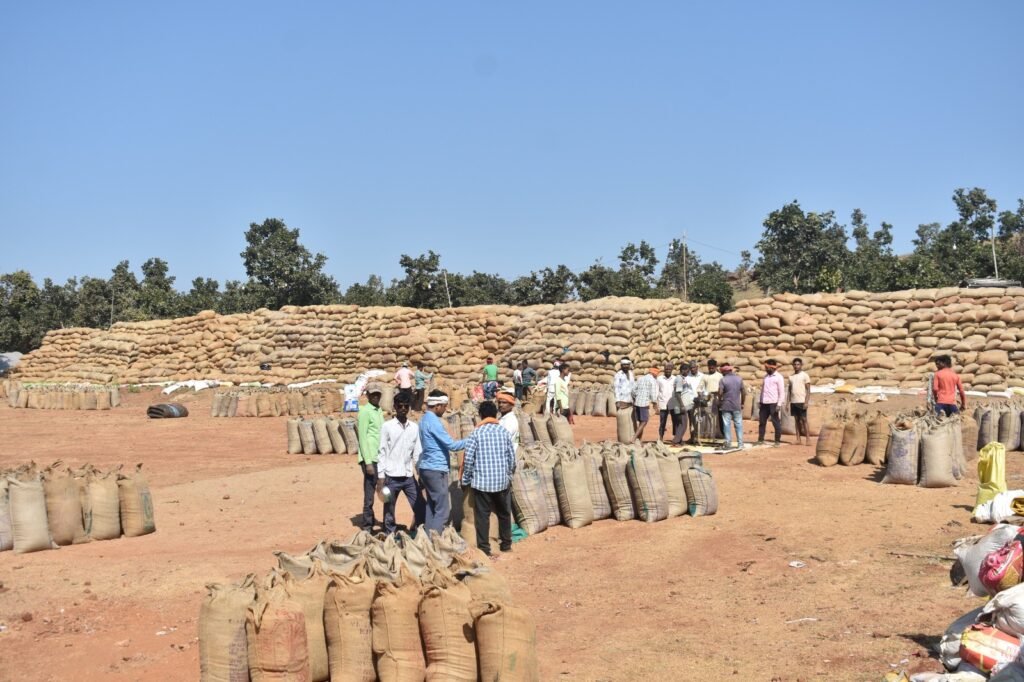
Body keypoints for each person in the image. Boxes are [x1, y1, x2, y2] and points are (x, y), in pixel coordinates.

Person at [460, 401, 516, 557]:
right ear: (495, 414)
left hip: (482, 483)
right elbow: (512, 458)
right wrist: (509, 475)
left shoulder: (476, 433)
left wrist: (466, 480)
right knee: (504, 514)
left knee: (482, 516)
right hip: (501, 482)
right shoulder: (504, 432)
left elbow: (468, 460)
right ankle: (506, 544)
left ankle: (484, 548)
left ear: (480, 415)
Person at [418, 389, 469, 533]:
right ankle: (435, 541)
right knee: (443, 510)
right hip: (436, 469)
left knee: (432, 507)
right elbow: (452, 445)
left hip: (426, 468)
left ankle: (427, 539)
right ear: (437, 406)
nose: (445, 410)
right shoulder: (434, 422)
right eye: (444, 406)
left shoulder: (423, 420)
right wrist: (472, 439)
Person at [376, 393, 424, 534]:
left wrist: (420, 473)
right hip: (391, 476)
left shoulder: (414, 427)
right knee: (389, 509)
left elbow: (417, 452)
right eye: (400, 406)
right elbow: (382, 451)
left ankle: (419, 533)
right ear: (395, 407)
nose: (403, 409)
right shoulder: (387, 427)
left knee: (419, 506)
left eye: (406, 406)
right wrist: (381, 477)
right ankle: (389, 535)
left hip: (408, 476)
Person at [356, 383, 385, 530]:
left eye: (378, 394)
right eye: (373, 394)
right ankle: (367, 525)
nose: (375, 397)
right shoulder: (365, 411)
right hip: (370, 458)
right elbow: (362, 438)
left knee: (383, 489)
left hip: (380, 457)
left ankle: (382, 521)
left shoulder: (379, 410)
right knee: (369, 493)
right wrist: (367, 462)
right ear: (367, 395)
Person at [757, 359, 785, 447]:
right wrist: (760, 401)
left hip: (773, 403)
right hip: (764, 403)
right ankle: (760, 439)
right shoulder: (765, 377)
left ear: (771, 367)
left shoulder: (779, 377)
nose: (765, 369)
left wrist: (779, 404)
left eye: (767, 367)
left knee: (775, 422)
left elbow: (781, 392)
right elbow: (763, 390)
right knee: (762, 422)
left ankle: (777, 441)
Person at [718, 364, 745, 449]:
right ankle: (740, 444)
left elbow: (720, 392)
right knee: (739, 424)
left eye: (722, 372)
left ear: (725, 371)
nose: (722, 373)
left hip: (726, 405)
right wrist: (742, 403)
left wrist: (720, 400)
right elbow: (743, 392)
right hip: (737, 405)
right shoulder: (739, 379)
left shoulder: (723, 380)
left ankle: (728, 443)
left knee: (726, 425)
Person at [788, 358, 812, 446]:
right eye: (795, 364)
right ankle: (798, 439)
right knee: (796, 420)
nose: (796, 366)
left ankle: (808, 439)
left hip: (801, 401)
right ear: (793, 366)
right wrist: (787, 402)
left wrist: (806, 402)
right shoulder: (791, 377)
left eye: (798, 364)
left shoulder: (805, 375)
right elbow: (789, 390)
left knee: (804, 420)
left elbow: (808, 390)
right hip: (793, 401)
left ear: (801, 365)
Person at [670, 361, 695, 445]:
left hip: (680, 404)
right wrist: (682, 406)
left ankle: (679, 440)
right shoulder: (680, 379)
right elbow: (677, 393)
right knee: (683, 424)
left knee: (679, 423)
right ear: (683, 370)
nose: (688, 372)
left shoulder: (681, 378)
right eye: (687, 371)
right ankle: (676, 441)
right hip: (680, 405)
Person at [632, 366, 658, 443]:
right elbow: (653, 394)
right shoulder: (652, 380)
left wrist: (636, 397)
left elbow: (633, 390)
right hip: (644, 404)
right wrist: (655, 404)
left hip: (637, 403)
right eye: (657, 374)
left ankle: (639, 440)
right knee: (644, 421)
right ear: (654, 373)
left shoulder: (640, 378)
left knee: (641, 422)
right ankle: (634, 438)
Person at [683, 362, 707, 444]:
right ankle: (693, 437)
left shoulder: (702, 376)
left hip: (701, 401)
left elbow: (705, 388)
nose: (692, 369)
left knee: (701, 419)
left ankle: (701, 437)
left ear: (697, 367)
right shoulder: (687, 377)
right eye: (691, 368)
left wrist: (704, 397)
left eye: (694, 367)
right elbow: (685, 390)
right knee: (692, 420)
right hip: (691, 401)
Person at [704, 359, 724, 439]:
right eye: (709, 368)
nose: (711, 369)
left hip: (718, 399)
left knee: (719, 418)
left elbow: (722, 388)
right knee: (709, 418)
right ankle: (709, 434)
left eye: (712, 368)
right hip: (708, 400)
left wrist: (720, 397)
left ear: (715, 367)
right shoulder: (705, 376)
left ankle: (720, 434)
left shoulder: (720, 376)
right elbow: (700, 387)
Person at [656, 363, 675, 442]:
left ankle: (676, 437)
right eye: (666, 369)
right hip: (663, 402)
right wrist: (656, 403)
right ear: (664, 370)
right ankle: (661, 437)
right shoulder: (659, 379)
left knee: (675, 421)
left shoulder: (675, 379)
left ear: (672, 370)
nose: (667, 371)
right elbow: (656, 390)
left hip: (673, 403)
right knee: (662, 421)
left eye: (669, 369)